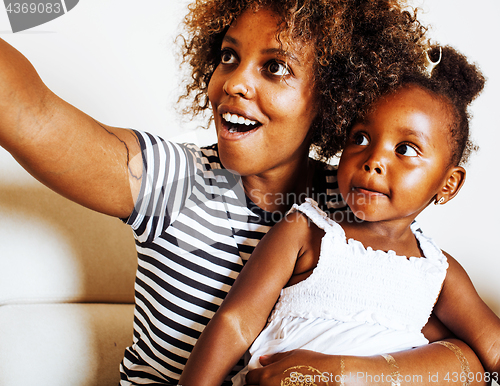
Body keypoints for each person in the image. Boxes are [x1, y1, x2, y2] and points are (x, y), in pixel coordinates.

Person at [0, 0, 488, 384]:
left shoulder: (358, 200)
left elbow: (459, 356)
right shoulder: (173, 180)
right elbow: (30, 114)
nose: (233, 83)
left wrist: (347, 375)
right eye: (229, 57)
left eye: (275, 67)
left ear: (336, 93)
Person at [179, 45, 500, 386]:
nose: (373, 159)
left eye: (404, 149)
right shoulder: (306, 230)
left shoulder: (439, 271)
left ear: (448, 185)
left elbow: (492, 347)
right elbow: (236, 322)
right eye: (360, 137)